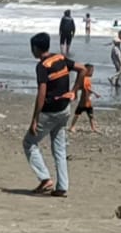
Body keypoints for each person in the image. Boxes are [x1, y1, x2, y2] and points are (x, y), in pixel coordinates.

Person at [23, 32, 86, 198]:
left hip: (50, 111)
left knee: (29, 142)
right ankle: (62, 186)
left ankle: (44, 178)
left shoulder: (42, 66)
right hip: (64, 109)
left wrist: (34, 119)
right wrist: (73, 91)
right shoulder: (60, 58)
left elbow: (41, 93)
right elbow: (83, 69)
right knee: (59, 148)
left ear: (36, 48)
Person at [68, 64, 100, 133]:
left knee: (91, 115)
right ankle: (72, 127)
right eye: (91, 71)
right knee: (77, 114)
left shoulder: (88, 79)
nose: (92, 72)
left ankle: (93, 127)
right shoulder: (85, 79)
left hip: (88, 101)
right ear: (86, 71)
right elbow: (87, 88)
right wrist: (95, 93)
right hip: (83, 102)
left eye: (93, 71)